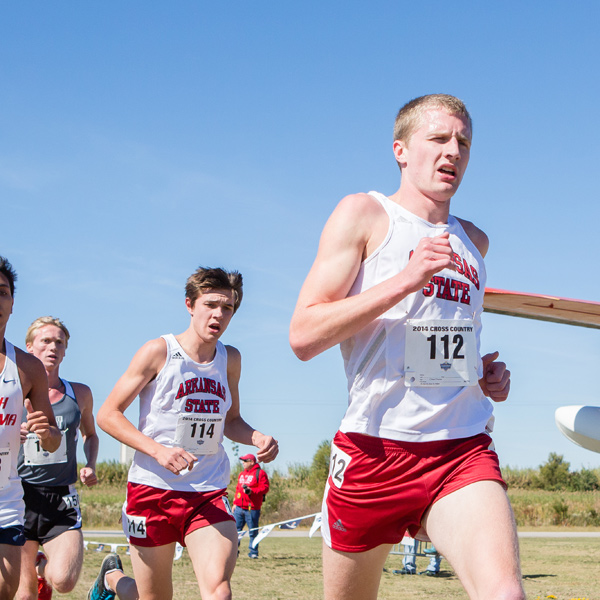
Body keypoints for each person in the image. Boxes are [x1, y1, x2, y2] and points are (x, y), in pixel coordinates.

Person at [289, 94, 524, 600]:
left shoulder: (474, 242)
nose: (453, 152)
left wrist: (479, 375)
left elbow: (436, 342)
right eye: (438, 139)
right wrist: (405, 278)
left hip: (460, 446)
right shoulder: (365, 214)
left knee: (505, 593)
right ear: (400, 149)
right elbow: (303, 336)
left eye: (463, 142)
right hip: (375, 449)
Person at [93, 267, 278, 600]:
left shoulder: (230, 359)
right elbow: (108, 415)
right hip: (152, 490)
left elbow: (231, 420)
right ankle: (112, 578)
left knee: (219, 591)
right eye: (210, 304)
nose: (218, 314)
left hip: (207, 491)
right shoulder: (159, 351)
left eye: (228, 308)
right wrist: (158, 451)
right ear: (190, 304)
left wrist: (257, 437)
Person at [16, 317, 100, 600]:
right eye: (46, 341)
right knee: (24, 595)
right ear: (29, 348)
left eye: (59, 342)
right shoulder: (12, 394)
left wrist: (90, 465)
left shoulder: (80, 393)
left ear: (65, 351)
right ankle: (34, 571)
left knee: (63, 581)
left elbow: (91, 435)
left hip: (61, 496)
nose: (53, 347)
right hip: (20, 495)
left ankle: (49, 570)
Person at [0, 257, 61, 599]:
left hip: (4, 496)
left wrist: (47, 432)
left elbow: (52, 441)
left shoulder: (26, 367)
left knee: (6, 591)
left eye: (3, 292)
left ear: (11, 303)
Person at [233, 453, 270, 558]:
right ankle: (234, 552)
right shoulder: (241, 474)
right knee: (236, 531)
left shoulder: (260, 473)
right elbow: (237, 489)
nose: (243, 463)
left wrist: (251, 491)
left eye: (245, 461)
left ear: (252, 462)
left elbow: (265, 488)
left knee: (253, 531)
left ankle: (253, 552)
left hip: (252, 508)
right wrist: (235, 503)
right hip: (239, 507)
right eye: (243, 461)